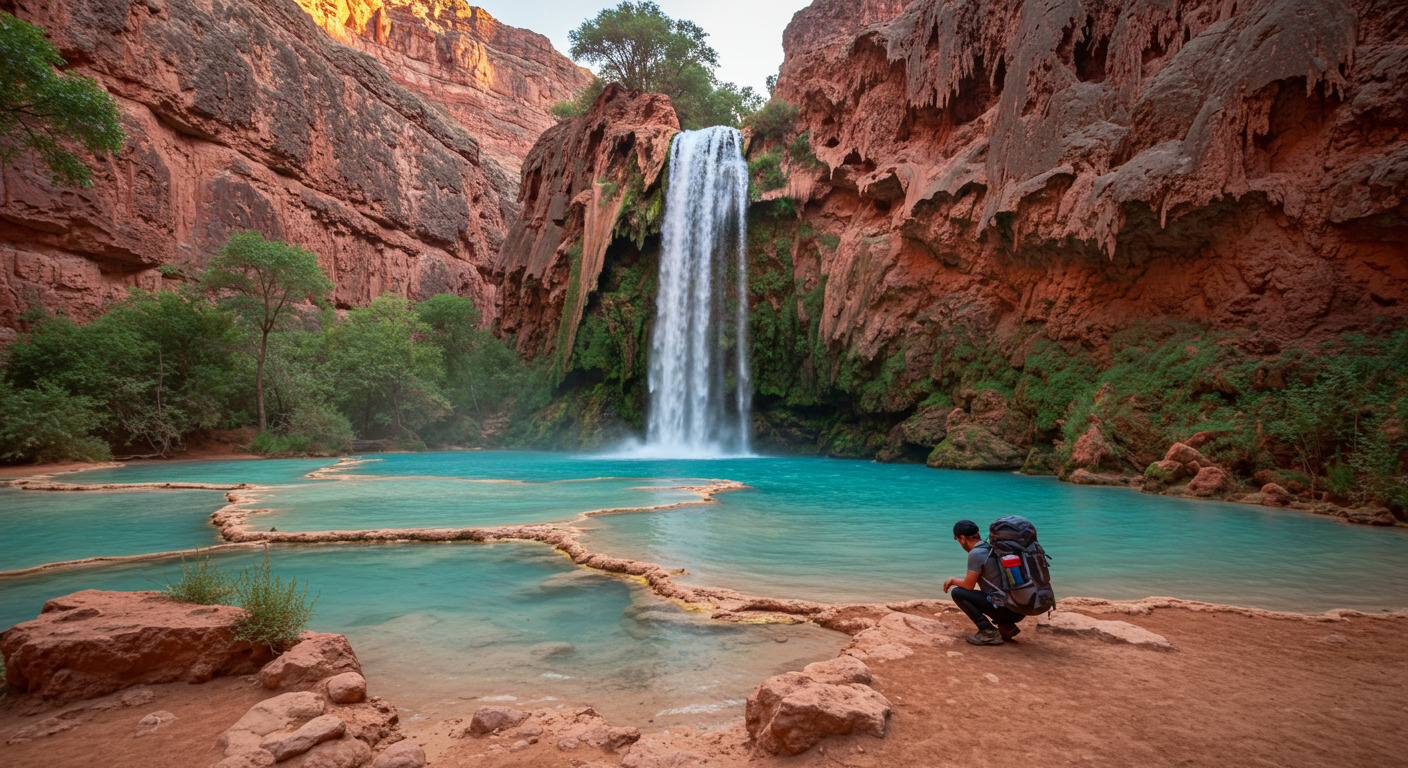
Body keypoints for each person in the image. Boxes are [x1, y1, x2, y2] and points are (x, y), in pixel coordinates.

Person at [942, 519, 1025, 645]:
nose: (960, 543)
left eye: (958, 540)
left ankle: (988, 632)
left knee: (958, 592)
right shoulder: (992, 546)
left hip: (1007, 610)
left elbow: (968, 586)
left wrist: (953, 580)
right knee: (992, 593)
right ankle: (1007, 627)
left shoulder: (976, 553)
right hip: (1020, 608)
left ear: (962, 538)